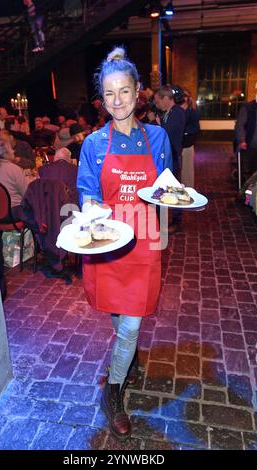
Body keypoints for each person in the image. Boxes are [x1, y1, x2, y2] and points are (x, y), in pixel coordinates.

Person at [77, 46, 172, 441]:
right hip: (110, 242)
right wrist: (92, 209)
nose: (118, 101)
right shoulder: (94, 144)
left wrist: (169, 200)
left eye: (125, 92)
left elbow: (166, 186)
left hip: (146, 239)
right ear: (103, 97)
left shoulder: (158, 135)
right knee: (118, 316)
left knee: (130, 324)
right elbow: (86, 193)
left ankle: (112, 393)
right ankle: (126, 362)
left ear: (138, 93)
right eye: (109, 93)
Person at [154, 85, 186, 233]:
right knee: (165, 187)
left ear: (166, 98)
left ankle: (177, 221)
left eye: (158, 101)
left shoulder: (178, 113)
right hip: (167, 156)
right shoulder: (168, 112)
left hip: (173, 155)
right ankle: (164, 220)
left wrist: (159, 124)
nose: (156, 104)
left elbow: (169, 134)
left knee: (174, 187)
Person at [235, 98, 257, 184]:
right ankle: (245, 194)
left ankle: (256, 193)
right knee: (246, 172)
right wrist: (241, 140)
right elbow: (240, 125)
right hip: (248, 145)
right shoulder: (248, 108)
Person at [180, 88, 200, 188]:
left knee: (187, 173)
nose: (183, 98)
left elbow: (194, 129)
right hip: (178, 145)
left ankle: (188, 192)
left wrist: (183, 131)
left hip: (187, 145)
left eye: (185, 95)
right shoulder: (176, 111)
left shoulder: (192, 112)